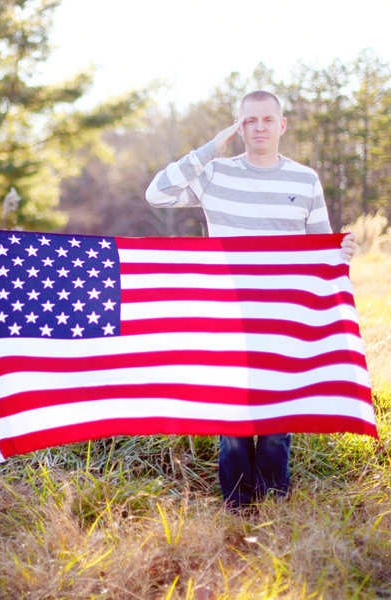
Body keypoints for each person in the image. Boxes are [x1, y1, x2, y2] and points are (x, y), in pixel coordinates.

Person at [145, 90, 357, 509]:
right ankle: (237, 506)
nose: (259, 127)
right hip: (227, 312)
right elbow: (158, 194)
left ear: (282, 125)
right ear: (239, 126)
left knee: (278, 416)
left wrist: (343, 251)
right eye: (249, 121)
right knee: (235, 412)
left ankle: (274, 502)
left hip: (284, 315)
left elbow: (320, 248)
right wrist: (208, 149)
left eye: (266, 119)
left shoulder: (304, 179)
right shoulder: (215, 173)